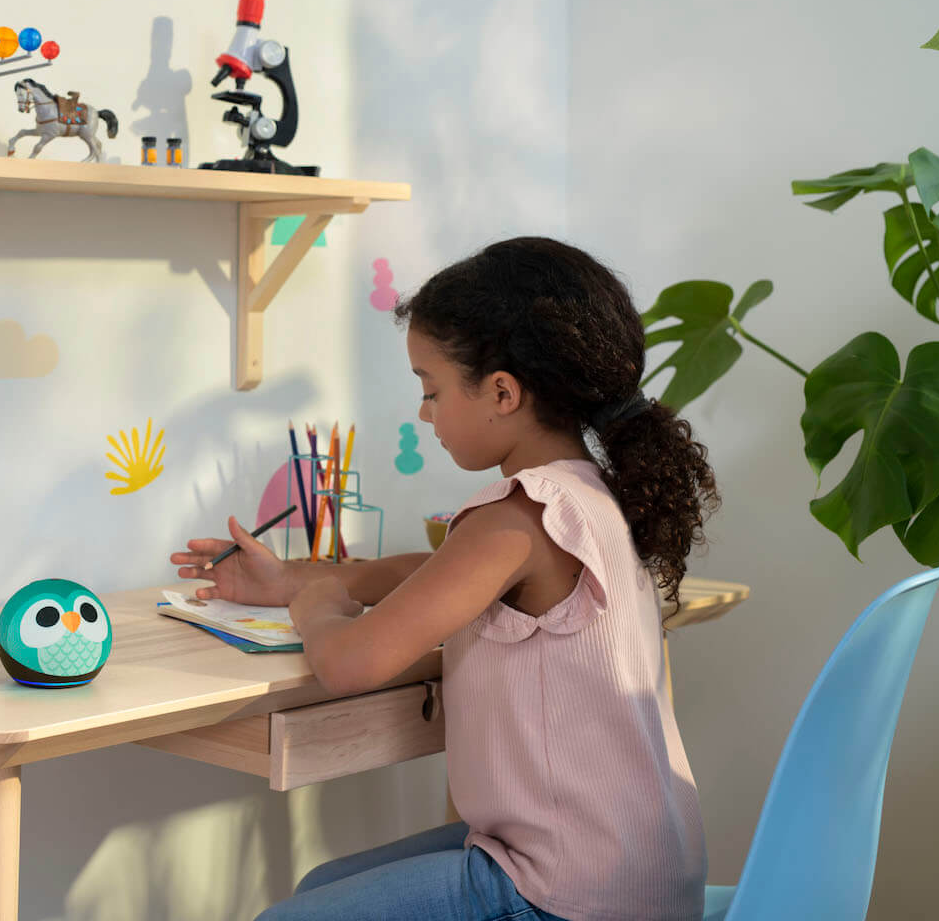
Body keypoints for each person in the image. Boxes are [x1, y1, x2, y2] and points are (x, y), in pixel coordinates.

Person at [170, 237, 720, 921]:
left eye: (430, 390)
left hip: (568, 892)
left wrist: (315, 608)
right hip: (633, 868)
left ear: (501, 392)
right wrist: (291, 577)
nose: (425, 413)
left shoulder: (518, 517)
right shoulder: (586, 495)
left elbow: (349, 662)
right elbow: (427, 573)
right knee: (320, 889)